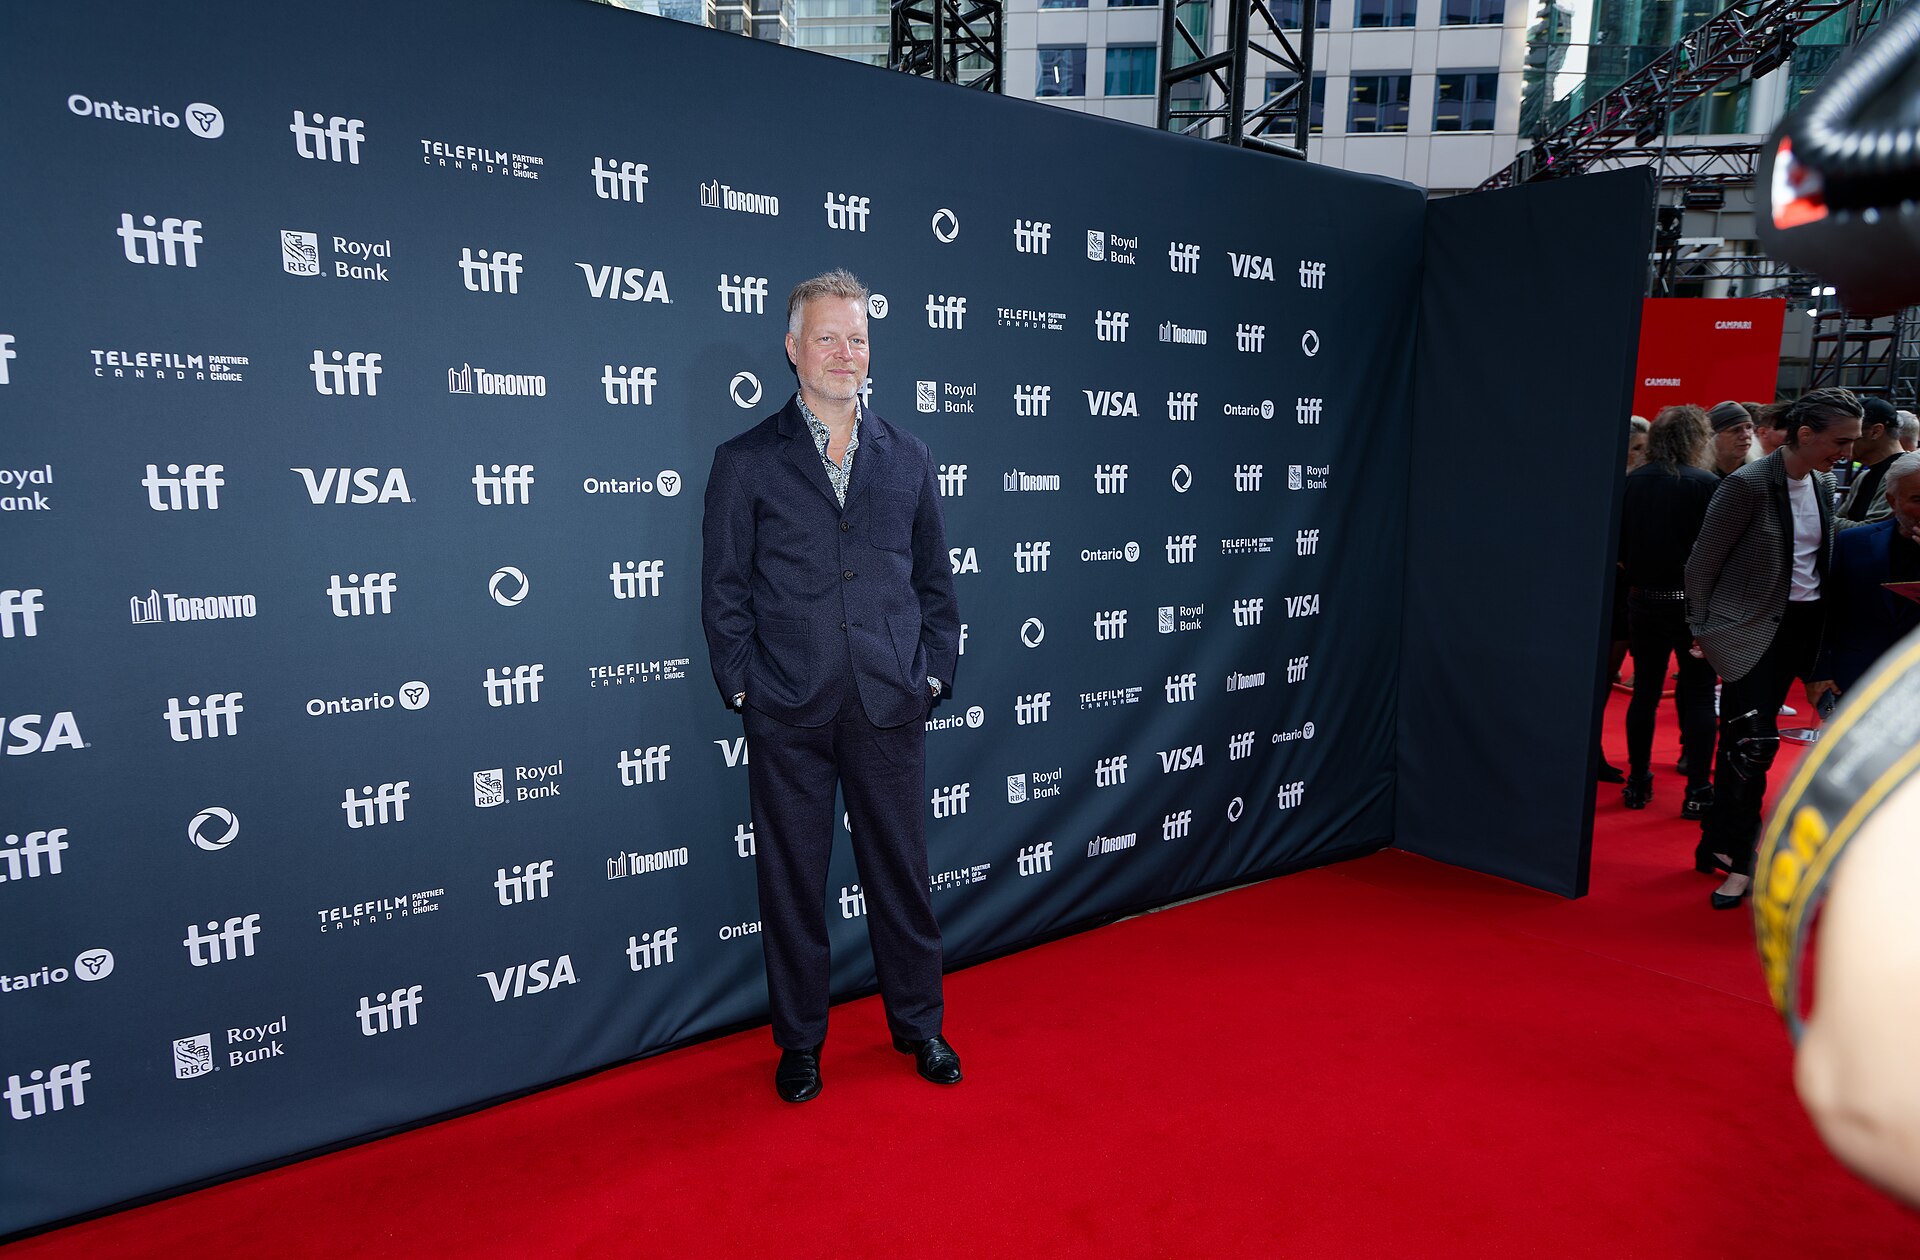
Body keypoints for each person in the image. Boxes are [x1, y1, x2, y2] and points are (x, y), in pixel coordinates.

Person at [701, 269, 963, 1102]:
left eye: (856, 337)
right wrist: (746, 689)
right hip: (788, 708)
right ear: (792, 348)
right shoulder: (744, 462)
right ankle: (801, 1041)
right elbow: (723, 593)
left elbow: (935, 584)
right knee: (791, 882)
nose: (844, 352)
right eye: (827, 336)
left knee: (902, 875)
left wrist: (931, 673)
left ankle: (920, 1026)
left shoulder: (910, 456)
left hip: (889, 703)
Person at [1685, 386, 1861, 908]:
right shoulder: (1747, 485)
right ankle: (1739, 860)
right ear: (1805, 434)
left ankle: (1717, 845)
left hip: (1811, 629)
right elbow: (1702, 563)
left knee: (1774, 744)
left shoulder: (1823, 482)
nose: (1847, 453)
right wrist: (1705, 629)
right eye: (1840, 441)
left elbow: (1823, 543)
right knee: (1749, 747)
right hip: (1754, 631)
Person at [1617, 405, 1719, 816]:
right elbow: (1717, 553)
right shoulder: (1707, 484)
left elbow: (1617, 551)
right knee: (1696, 696)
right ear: (1697, 439)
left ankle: (1637, 780)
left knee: (1644, 693)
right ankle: (1698, 789)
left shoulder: (1629, 484)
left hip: (1643, 601)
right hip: (1694, 607)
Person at [1807, 452, 1920, 699]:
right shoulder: (1854, 542)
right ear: (1892, 500)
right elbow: (1825, 613)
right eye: (1917, 499)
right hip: (1856, 679)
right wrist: (1819, 672)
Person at [1835, 396, 1904, 529]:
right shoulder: (1863, 477)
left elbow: (1872, 531)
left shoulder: (1905, 475)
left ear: (1875, 432)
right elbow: (1842, 521)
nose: (1843, 448)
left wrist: (1813, 516)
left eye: (1850, 438)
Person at [1706, 400, 1755, 476]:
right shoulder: (1698, 479)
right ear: (1715, 437)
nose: (1746, 435)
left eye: (1749, 427)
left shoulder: (1761, 474)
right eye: (1736, 430)